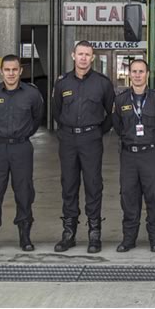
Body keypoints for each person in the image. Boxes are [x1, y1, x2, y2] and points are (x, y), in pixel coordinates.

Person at [52, 40, 115, 254]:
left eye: (87, 54)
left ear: (93, 58)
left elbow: (111, 114)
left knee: (93, 185)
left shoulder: (103, 83)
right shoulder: (62, 83)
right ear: (73, 55)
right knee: (69, 186)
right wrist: (67, 131)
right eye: (80, 54)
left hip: (91, 140)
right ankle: (68, 233)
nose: (83, 58)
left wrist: (96, 131)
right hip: (68, 140)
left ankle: (94, 234)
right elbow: (56, 112)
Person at [0, 54, 44, 253]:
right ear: (1, 71)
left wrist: (21, 136)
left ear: (21, 71)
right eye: (7, 70)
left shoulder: (31, 94)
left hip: (21, 148)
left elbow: (37, 117)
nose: (11, 73)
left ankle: (25, 236)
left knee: (24, 192)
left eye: (15, 69)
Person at [112, 59, 155, 252]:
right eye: (134, 71)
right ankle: (129, 239)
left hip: (151, 154)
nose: (137, 75)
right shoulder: (120, 100)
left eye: (141, 71)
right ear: (129, 75)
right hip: (129, 156)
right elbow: (118, 127)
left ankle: (154, 239)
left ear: (148, 74)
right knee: (129, 197)